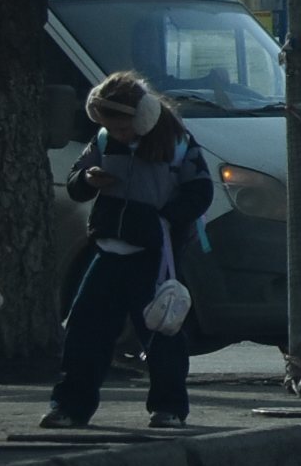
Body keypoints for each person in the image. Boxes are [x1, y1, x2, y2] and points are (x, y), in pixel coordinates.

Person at [41, 70, 211, 430]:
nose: (117, 134)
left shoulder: (178, 143)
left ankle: (168, 408)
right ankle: (69, 407)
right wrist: (89, 179)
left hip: (154, 256)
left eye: (122, 127)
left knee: (162, 333)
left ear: (145, 116)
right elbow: (75, 182)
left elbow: (200, 191)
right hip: (106, 251)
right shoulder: (104, 139)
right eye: (110, 127)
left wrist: (161, 220)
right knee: (84, 332)